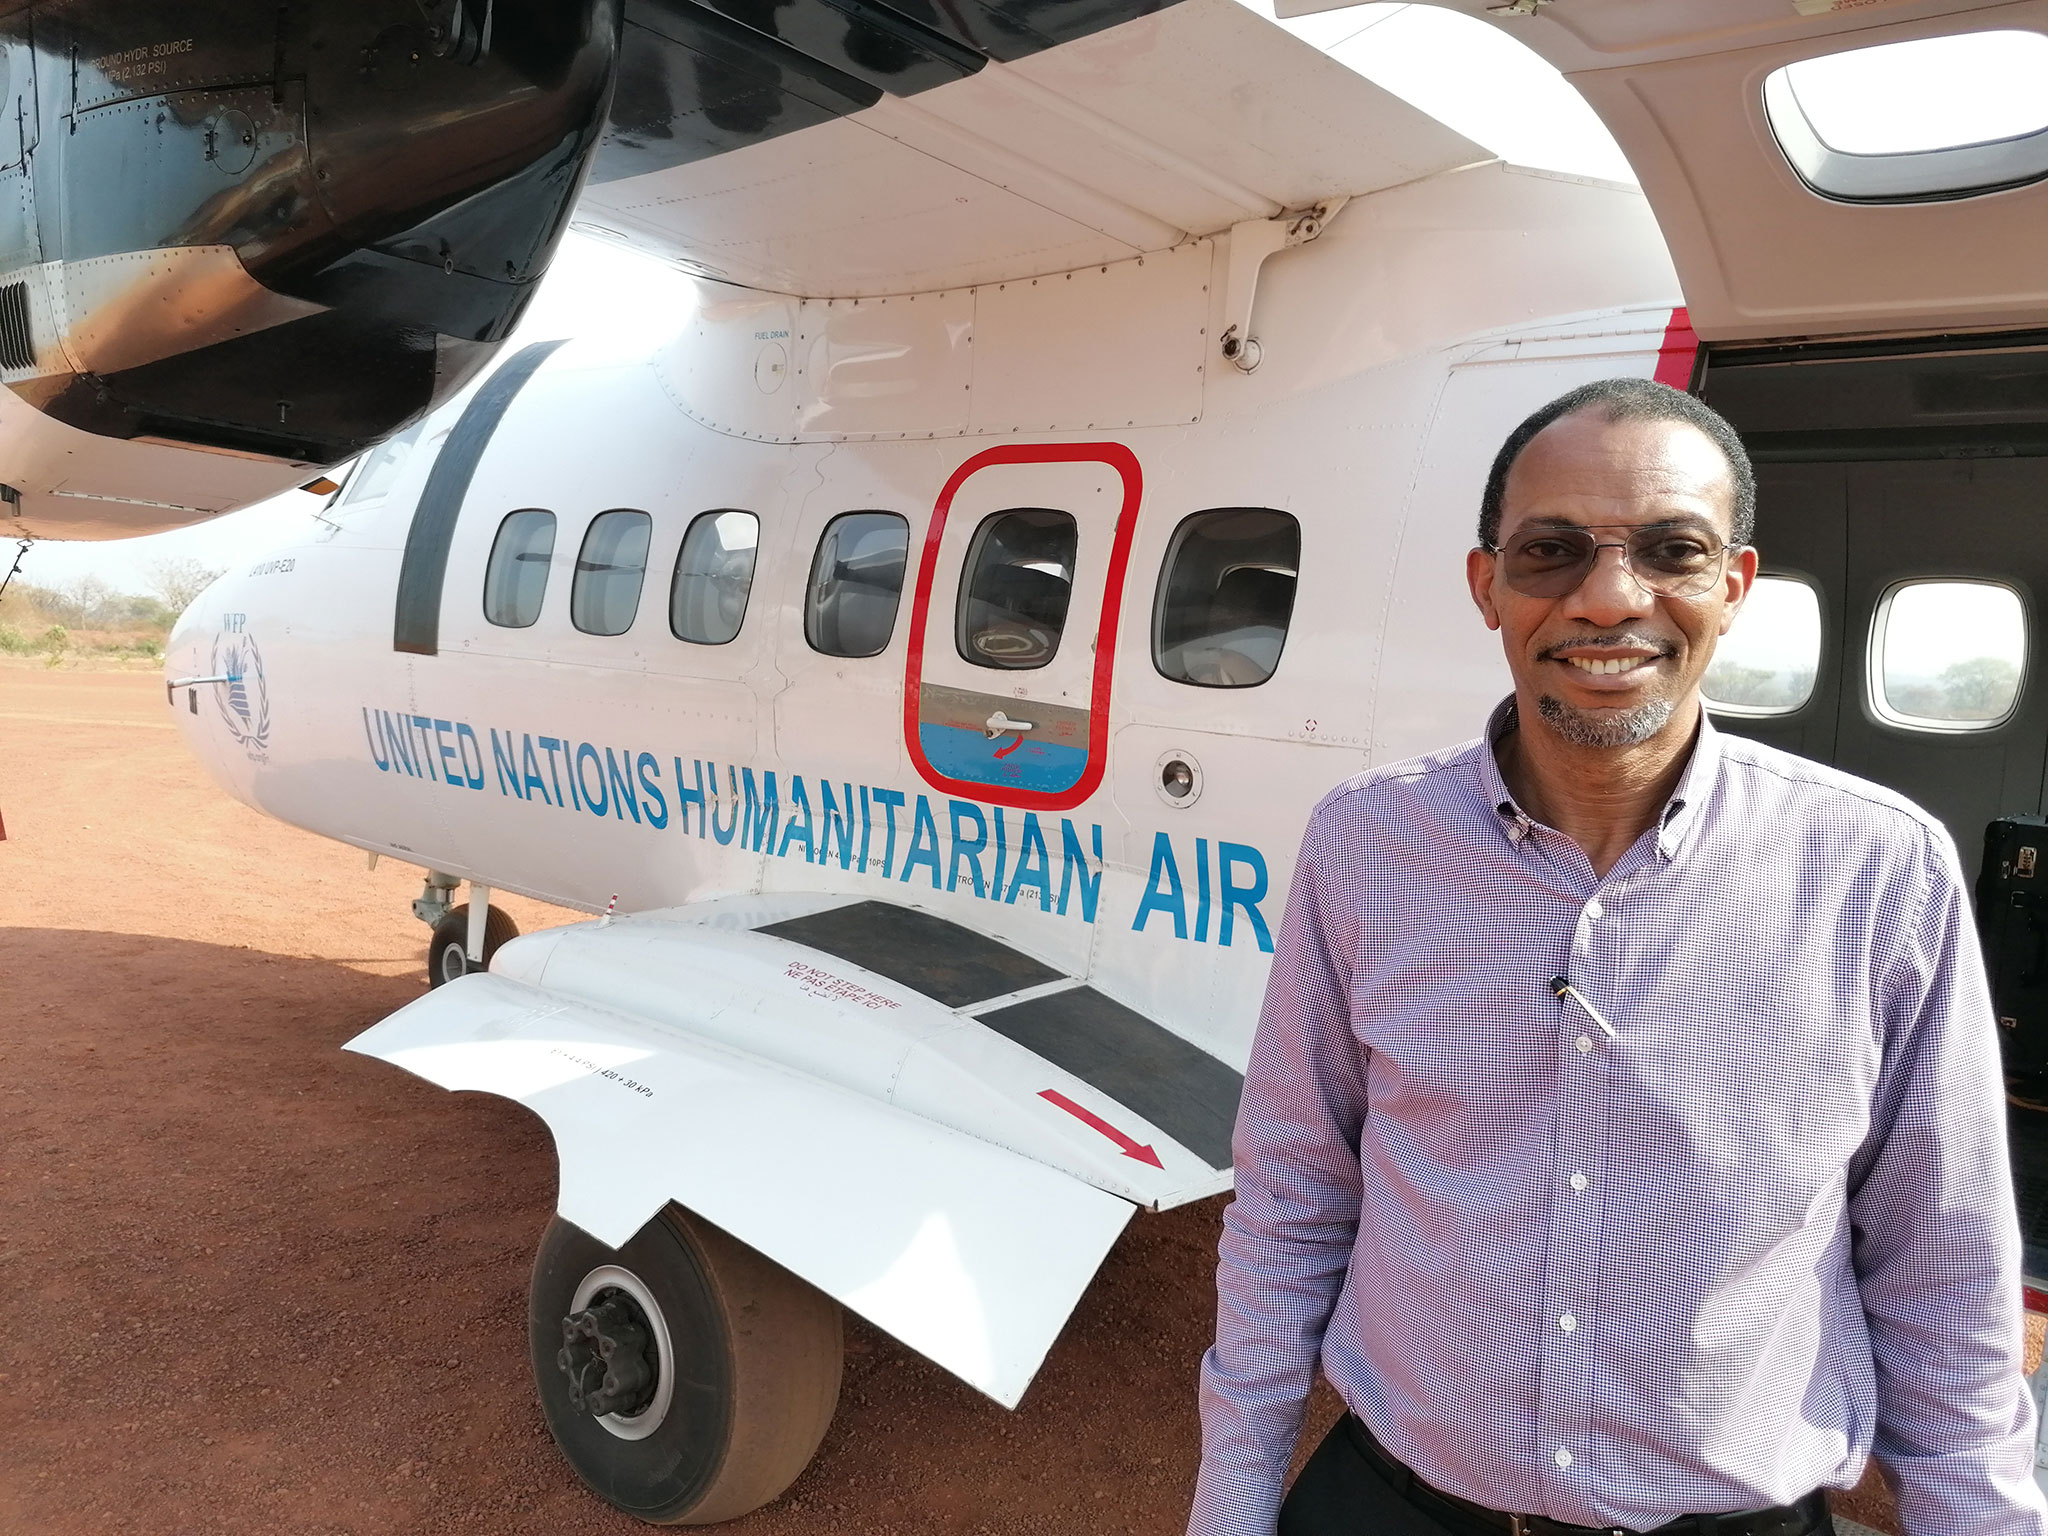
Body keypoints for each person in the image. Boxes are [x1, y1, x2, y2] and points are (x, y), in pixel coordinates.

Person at [1189, 378, 2046, 1536]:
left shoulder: (1879, 874)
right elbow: (1293, 1191)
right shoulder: (1364, 845)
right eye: (1549, 552)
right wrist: (1231, 1503)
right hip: (1395, 1507)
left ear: (1731, 586)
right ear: (1485, 586)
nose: (1606, 597)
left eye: (1669, 549)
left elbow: (1941, 1272)